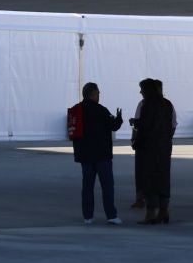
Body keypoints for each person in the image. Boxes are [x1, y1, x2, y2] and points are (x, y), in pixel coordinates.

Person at [69, 81, 124, 225]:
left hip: (84, 155)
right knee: (107, 186)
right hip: (101, 155)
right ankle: (111, 215)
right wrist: (119, 119)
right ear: (93, 94)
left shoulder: (77, 109)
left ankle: (88, 216)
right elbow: (114, 126)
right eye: (98, 93)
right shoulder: (101, 110)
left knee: (87, 186)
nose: (99, 95)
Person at [130, 78, 177, 224]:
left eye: (142, 89)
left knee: (149, 179)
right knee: (163, 178)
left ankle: (151, 213)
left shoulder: (147, 105)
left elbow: (145, 127)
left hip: (149, 148)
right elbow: (170, 126)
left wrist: (136, 140)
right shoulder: (167, 104)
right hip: (164, 147)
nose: (141, 92)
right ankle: (164, 211)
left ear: (148, 90)